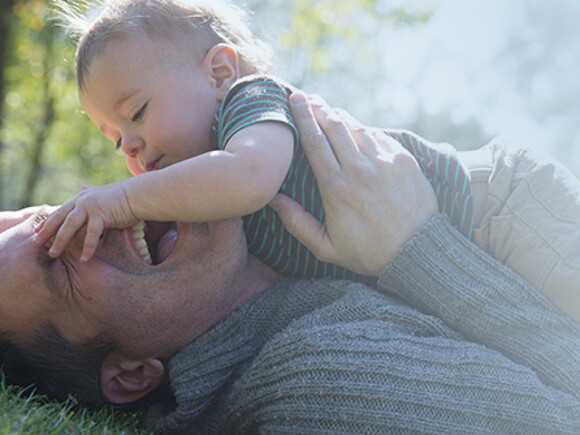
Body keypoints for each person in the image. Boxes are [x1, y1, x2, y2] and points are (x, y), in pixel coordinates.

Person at [2, 95, 580, 433]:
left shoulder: (273, 237)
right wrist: (417, 248)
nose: (94, 220)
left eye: (57, 213)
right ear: (132, 374)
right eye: (59, 265)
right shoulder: (323, 379)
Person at [34, 0, 580, 323]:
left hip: (505, 205)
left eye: (138, 112)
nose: (128, 145)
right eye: (113, 138)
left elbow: (249, 176)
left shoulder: (251, 104)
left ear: (218, 74)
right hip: (472, 258)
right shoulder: (207, 194)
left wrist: (123, 198)